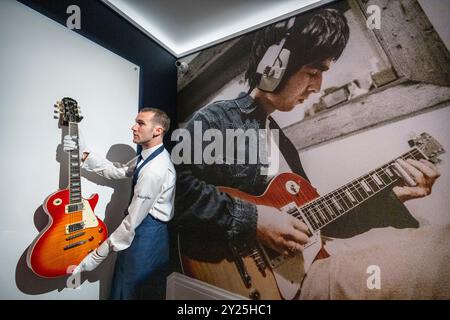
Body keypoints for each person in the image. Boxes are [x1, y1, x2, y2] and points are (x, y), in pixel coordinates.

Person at [173, 8, 448, 299]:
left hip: (315, 260)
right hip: (268, 286)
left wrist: (393, 196)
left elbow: (321, 220)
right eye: (313, 72)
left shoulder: (280, 140)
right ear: (273, 67)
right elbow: (171, 188)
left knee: (436, 238)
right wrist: (253, 220)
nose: (317, 87)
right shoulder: (218, 119)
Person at [64, 108, 176, 299]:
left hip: (147, 238)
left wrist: (91, 260)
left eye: (141, 123)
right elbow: (119, 171)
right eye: (135, 122)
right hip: (141, 232)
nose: (133, 127)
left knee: (133, 293)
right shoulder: (147, 156)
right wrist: (83, 153)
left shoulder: (154, 171)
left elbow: (131, 223)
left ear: (157, 130)